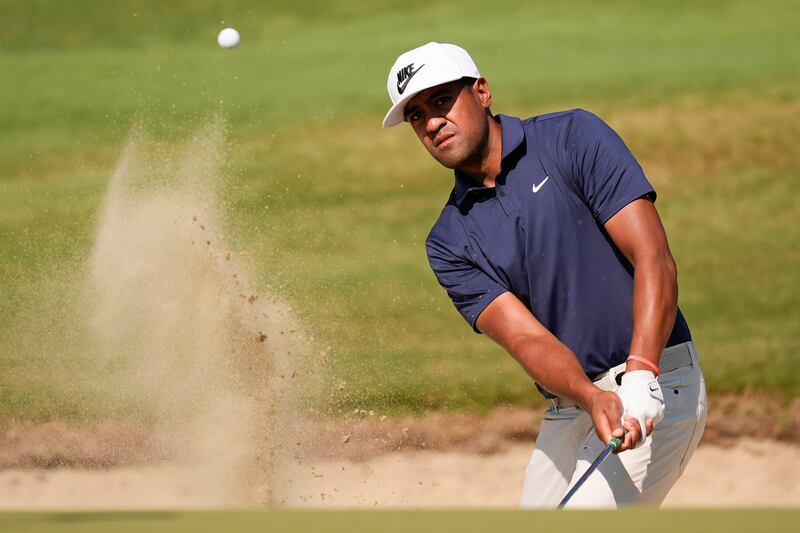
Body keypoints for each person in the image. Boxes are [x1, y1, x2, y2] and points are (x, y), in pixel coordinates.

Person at [381, 42, 707, 508]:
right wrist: (590, 398)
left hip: (657, 384)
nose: (432, 122)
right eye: (416, 115)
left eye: (441, 101)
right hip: (572, 406)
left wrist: (640, 374)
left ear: (482, 92)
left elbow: (654, 257)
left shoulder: (572, 137)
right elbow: (527, 340)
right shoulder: (449, 241)